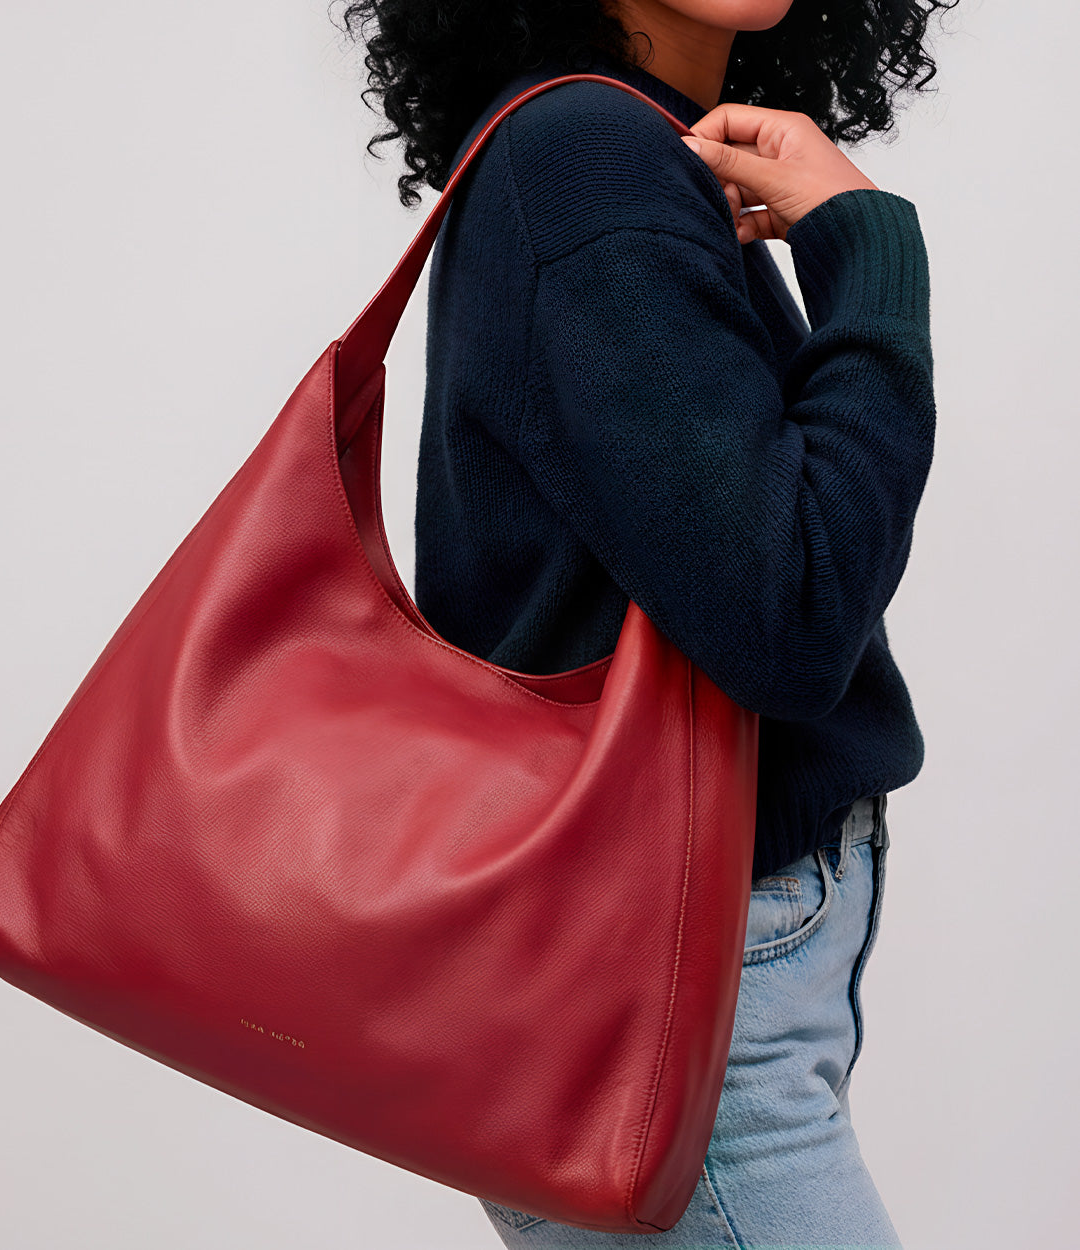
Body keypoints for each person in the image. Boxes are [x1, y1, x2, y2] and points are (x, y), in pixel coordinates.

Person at [339, 0, 959, 1244]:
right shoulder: (586, 156)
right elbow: (788, 615)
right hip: (677, 978)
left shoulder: (618, 146)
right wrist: (872, 256)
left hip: (666, 970)